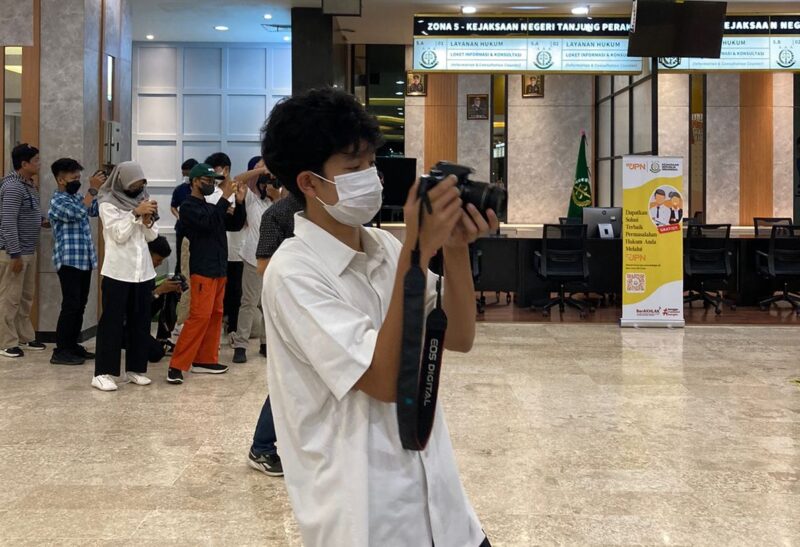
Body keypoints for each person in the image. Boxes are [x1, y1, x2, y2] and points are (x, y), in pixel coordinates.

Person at [260, 88, 497, 547]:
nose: (370, 177)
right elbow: (384, 380)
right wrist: (417, 247)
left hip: (445, 511)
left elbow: (461, 336)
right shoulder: (293, 272)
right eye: (352, 169)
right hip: (369, 518)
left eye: (370, 164)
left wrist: (454, 246)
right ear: (308, 183)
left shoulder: (386, 249)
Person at [167, 163, 246, 385]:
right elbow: (208, 224)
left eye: (213, 181)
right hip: (203, 269)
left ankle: (205, 360)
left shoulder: (210, 206)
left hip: (220, 268)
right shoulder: (188, 207)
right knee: (199, 317)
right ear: (194, 182)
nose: (211, 185)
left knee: (215, 315)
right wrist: (224, 199)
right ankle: (176, 366)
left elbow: (235, 224)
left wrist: (239, 203)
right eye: (207, 181)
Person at [245, 180, 303, 478]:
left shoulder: (332, 212)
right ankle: (263, 446)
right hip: (292, 305)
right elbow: (264, 265)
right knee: (289, 379)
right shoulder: (278, 214)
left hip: (321, 305)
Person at [92, 161, 159, 392]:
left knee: (140, 322)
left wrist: (148, 220)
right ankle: (102, 373)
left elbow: (152, 237)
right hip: (118, 272)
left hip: (143, 272)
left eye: (141, 184)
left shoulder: (143, 199)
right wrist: (135, 214)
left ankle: (135, 369)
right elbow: (118, 235)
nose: (138, 189)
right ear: (122, 182)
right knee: (111, 323)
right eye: (134, 184)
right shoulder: (107, 203)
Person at [48, 158, 106, 365]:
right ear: (61, 179)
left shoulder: (76, 198)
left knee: (80, 304)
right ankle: (61, 350)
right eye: (74, 177)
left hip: (84, 260)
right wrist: (92, 190)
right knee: (70, 305)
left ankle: (72, 345)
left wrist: (100, 190)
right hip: (69, 261)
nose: (78, 181)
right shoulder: (58, 201)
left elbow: (93, 210)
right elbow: (79, 213)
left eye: (79, 177)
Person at [0, 143, 47, 358]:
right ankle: (6, 342)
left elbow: (27, 215)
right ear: (24, 164)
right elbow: (8, 222)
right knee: (9, 298)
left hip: (29, 250)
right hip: (13, 253)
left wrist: (42, 221)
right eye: (36, 161)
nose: (39, 164)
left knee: (25, 297)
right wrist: (15, 254)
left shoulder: (29, 185)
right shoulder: (12, 187)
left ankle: (24, 336)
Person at [231, 157, 279, 364]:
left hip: (276, 257)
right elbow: (237, 179)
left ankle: (266, 344)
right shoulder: (250, 197)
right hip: (253, 255)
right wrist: (261, 169)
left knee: (269, 304)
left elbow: (288, 217)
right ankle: (240, 345)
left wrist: (275, 195)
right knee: (248, 303)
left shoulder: (279, 197)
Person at [205, 152, 245, 337]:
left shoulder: (238, 189)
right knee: (216, 293)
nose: (213, 176)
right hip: (216, 251)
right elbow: (211, 217)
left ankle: (233, 328)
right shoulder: (210, 193)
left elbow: (242, 220)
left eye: (216, 171)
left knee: (235, 292)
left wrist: (237, 208)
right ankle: (217, 327)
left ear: (226, 169)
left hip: (236, 250)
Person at [146, 236, 183, 363]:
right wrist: (159, 291)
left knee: (169, 291)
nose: (159, 263)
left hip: (141, 316)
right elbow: (134, 305)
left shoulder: (149, 272)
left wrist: (167, 289)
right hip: (128, 323)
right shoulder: (133, 271)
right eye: (158, 260)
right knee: (156, 353)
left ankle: (163, 338)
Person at [171, 158, 198, 275]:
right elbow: (173, 207)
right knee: (181, 258)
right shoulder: (179, 189)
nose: (185, 177)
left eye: (187, 174)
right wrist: (179, 217)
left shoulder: (202, 189)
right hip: (182, 229)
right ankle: (179, 286)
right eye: (183, 174)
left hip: (197, 229)